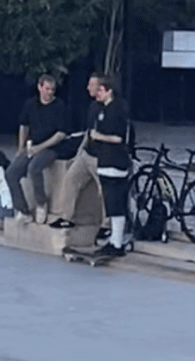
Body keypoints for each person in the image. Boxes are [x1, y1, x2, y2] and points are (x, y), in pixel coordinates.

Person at [49, 72, 106, 233]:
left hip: (102, 157)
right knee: (70, 179)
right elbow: (89, 131)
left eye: (92, 85)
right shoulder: (93, 106)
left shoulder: (112, 107)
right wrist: (79, 152)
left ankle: (106, 224)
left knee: (105, 189)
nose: (88, 88)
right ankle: (67, 217)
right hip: (87, 153)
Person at [6, 74, 67, 224]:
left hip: (52, 147)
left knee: (34, 168)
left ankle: (41, 203)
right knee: (11, 173)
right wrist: (21, 147)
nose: (49, 92)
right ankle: (22, 209)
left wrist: (40, 147)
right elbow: (24, 125)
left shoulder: (60, 106)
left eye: (52, 89)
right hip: (32, 145)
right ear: (39, 87)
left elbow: (61, 134)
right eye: (46, 89)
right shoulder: (31, 104)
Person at [88, 74, 132, 257]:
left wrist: (99, 137)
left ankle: (117, 242)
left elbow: (119, 137)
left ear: (109, 90)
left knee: (115, 202)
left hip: (115, 161)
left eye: (100, 90)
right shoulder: (102, 108)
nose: (97, 93)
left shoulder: (117, 109)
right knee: (111, 204)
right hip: (105, 161)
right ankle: (115, 239)